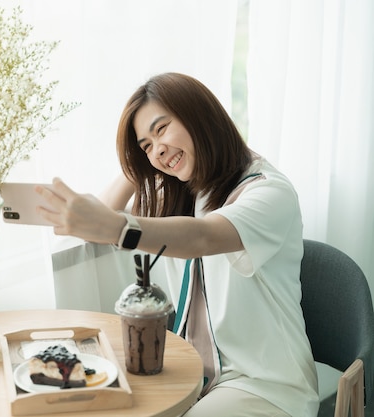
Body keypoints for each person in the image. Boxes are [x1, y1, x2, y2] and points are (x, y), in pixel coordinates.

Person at [35, 72, 319, 417]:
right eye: (146, 145)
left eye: (161, 129)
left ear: (200, 116)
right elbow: (102, 220)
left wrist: (116, 223)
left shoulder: (267, 192)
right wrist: (142, 161)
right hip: (190, 372)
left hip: (263, 383)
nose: (158, 149)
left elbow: (201, 237)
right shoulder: (184, 188)